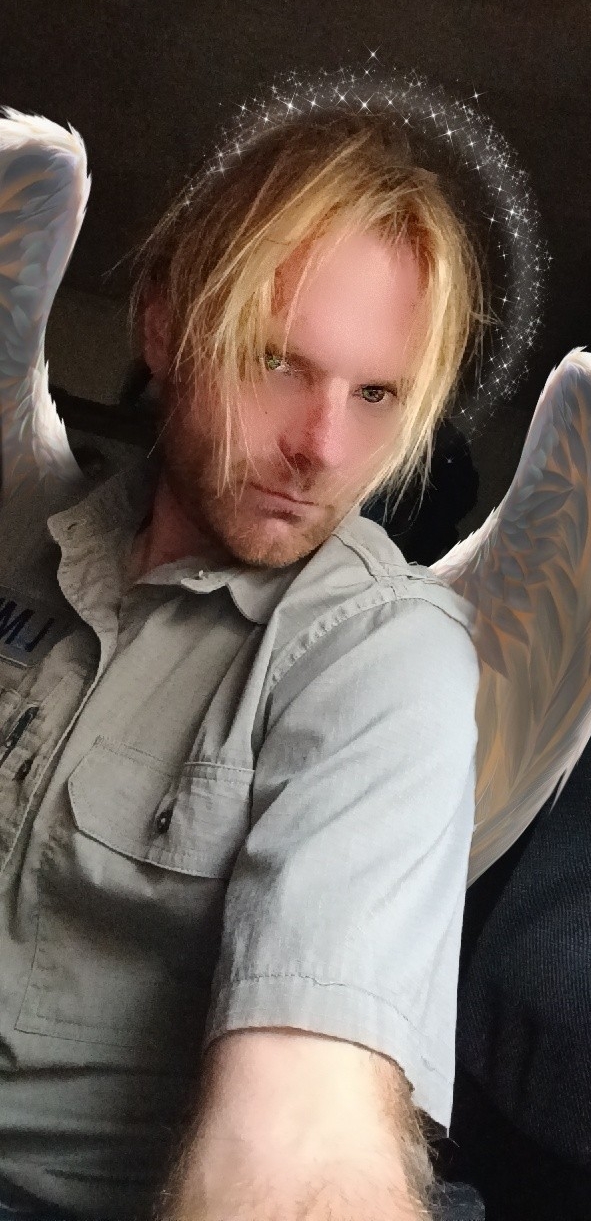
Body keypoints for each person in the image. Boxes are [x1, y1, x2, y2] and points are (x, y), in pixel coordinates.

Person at [0, 113, 486, 1221]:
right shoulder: (26, 533)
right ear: (165, 326)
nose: (323, 448)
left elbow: (305, 1137)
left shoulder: (384, 657)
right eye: (277, 362)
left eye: (375, 395)